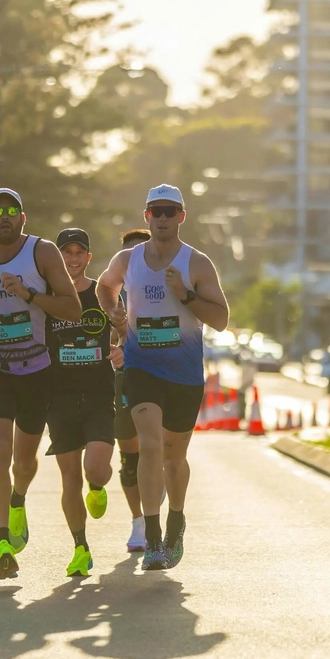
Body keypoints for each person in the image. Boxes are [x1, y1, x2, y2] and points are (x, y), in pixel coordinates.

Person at [97, 184, 229, 571]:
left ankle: (176, 521)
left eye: (171, 211)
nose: (163, 218)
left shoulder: (197, 263)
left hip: (184, 372)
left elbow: (221, 320)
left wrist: (185, 295)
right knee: (150, 445)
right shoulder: (128, 259)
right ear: (146, 217)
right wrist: (113, 311)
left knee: (175, 456)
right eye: (156, 211)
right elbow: (106, 287)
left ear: (182, 216)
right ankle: (153, 539)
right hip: (141, 366)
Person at [0, 187, 81, 579]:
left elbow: (73, 309)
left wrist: (28, 294)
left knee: (25, 462)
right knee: (0, 450)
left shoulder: (41, 253)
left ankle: (18, 499)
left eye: (12, 211)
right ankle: (2, 542)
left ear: (22, 219)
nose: (4, 217)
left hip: (36, 370)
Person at [46, 227, 124, 577]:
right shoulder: (47, 296)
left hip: (97, 394)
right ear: (57, 258)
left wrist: (121, 345)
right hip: (58, 398)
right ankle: (81, 548)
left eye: (79, 252)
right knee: (68, 479)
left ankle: (98, 485)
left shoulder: (101, 293)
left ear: (88, 258)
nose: (73, 258)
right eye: (66, 252)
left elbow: (123, 327)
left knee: (94, 469)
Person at [114, 228, 152, 552]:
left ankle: (155, 518)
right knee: (130, 459)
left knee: (156, 450)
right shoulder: (110, 293)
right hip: (123, 378)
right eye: (128, 253)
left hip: (162, 375)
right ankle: (138, 522)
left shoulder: (163, 288)